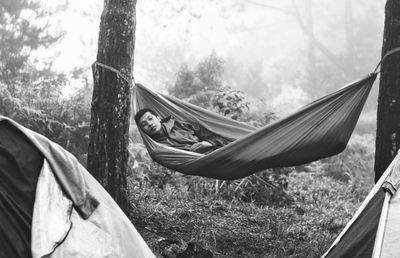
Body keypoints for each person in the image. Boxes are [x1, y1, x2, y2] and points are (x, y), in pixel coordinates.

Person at [134, 108, 230, 153]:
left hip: (223, 150)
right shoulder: (157, 148)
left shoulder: (180, 124)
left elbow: (214, 136)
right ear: (142, 130)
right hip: (208, 162)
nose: (149, 124)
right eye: (144, 125)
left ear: (158, 118)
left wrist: (209, 143)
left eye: (150, 119)